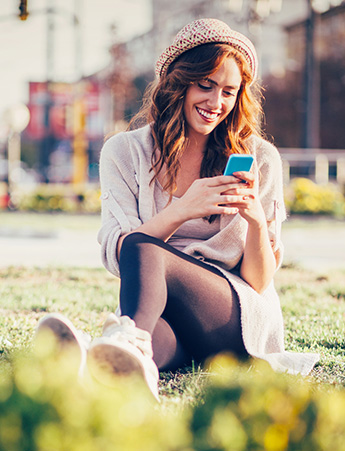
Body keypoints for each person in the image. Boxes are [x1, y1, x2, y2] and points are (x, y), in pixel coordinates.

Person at [36, 18, 319, 401]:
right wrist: (184, 209)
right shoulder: (124, 151)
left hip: (237, 317)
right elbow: (118, 256)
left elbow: (259, 281)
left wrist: (253, 221)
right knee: (149, 334)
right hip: (168, 317)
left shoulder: (259, 157)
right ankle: (108, 362)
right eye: (205, 85)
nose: (216, 103)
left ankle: (116, 342)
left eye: (229, 92)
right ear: (178, 81)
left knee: (142, 244)